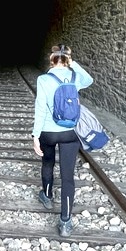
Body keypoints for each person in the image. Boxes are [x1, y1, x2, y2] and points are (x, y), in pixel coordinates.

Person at [31, 44, 93, 237]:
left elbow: (40, 108)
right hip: (70, 133)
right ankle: (65, 222)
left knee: (48, 162)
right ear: (67, 59)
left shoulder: (43, 79)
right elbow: (89, 80)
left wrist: (35, 135)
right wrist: (74, 65)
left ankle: (47, 196)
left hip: (49, 132)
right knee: (68, 177)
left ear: (51, 59)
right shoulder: (75, 78)